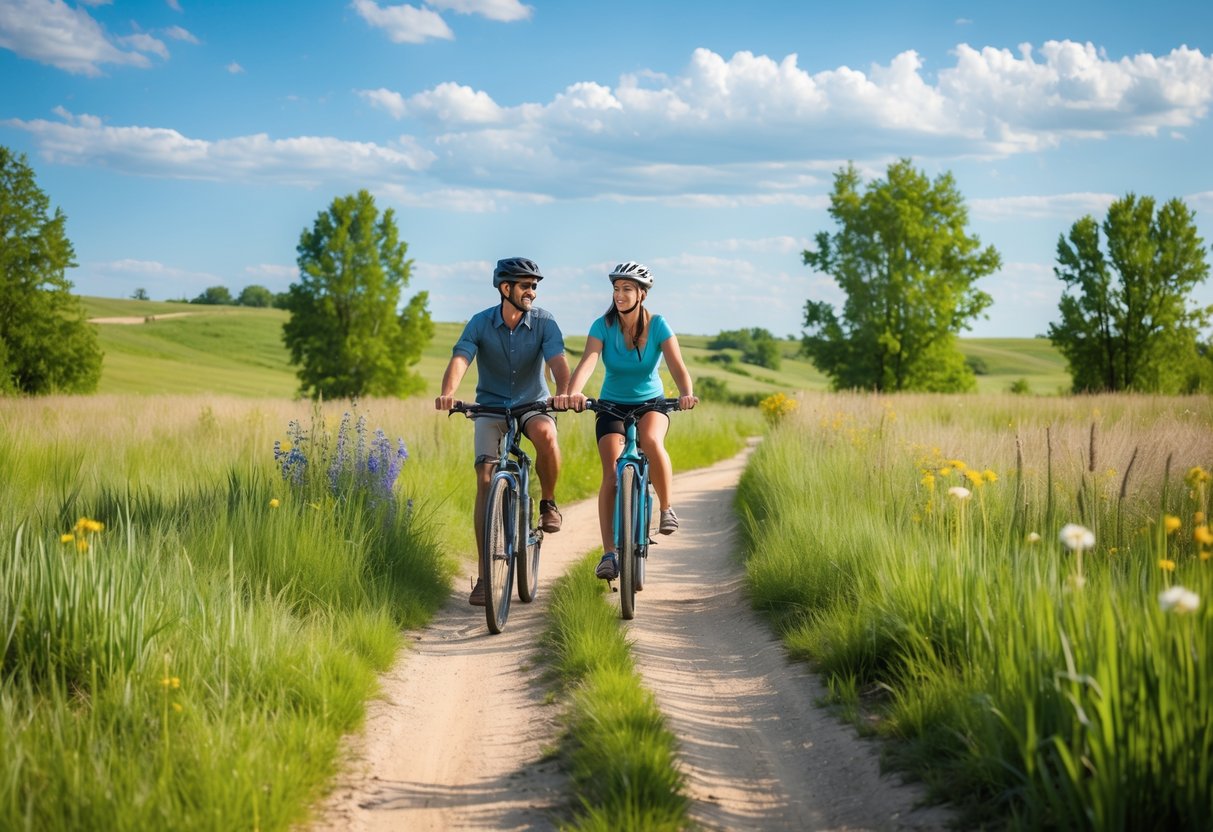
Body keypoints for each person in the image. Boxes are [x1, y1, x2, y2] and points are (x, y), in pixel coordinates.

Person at [435, 257, 571, 606]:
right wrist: (448, 394)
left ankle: (548, 503)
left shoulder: (545, 322)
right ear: (504, 288)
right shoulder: (481, 323)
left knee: (547, 436)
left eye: (535, 285)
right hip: (491, 405)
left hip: (533, 404)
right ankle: (484, 577)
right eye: (525, 285)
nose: (532, 291)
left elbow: (557, 362)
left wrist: (563, 392)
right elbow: (462, 357)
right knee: (484, 476)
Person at [564, 261, 698, 581]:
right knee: (611, 474)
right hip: (611, 404)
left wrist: (686, 393)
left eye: (627, 289)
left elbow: (676, 364)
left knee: (651, 441)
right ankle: (609, 553)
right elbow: (588, 362)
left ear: (642, 294)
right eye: (616, 289)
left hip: (651, 403)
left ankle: (665, 509)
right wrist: (573, 392)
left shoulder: (658, 325)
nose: (620, 294)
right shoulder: (602, 326)